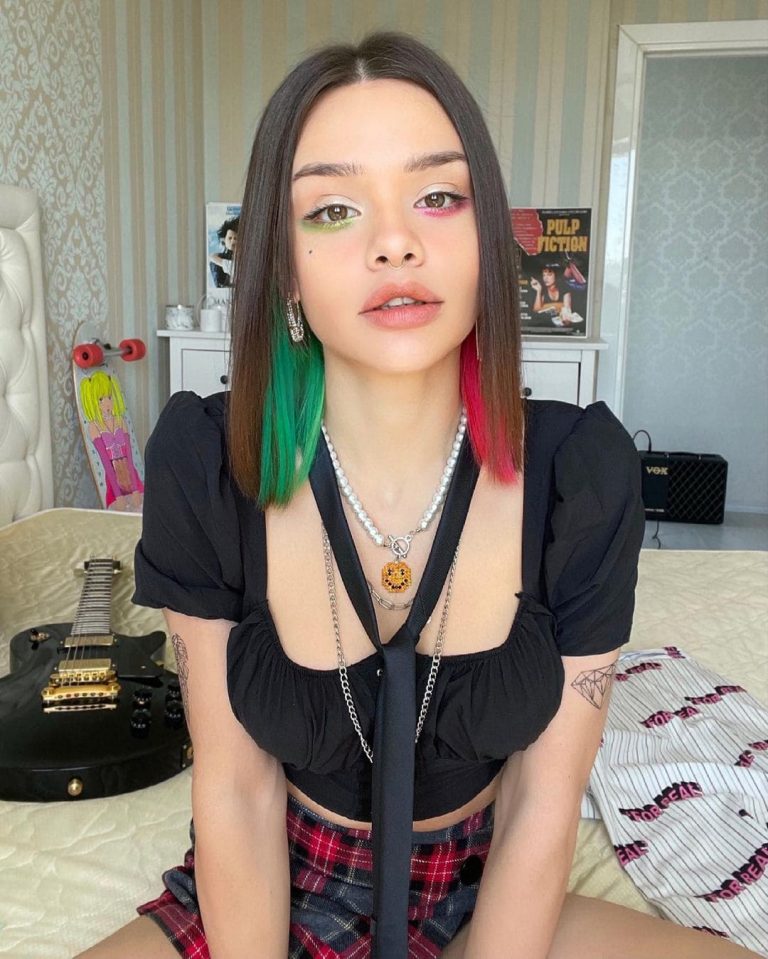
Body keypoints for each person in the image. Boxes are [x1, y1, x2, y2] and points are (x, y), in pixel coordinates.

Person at [78, 31, 762, 959]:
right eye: (333, 209)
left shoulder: (583, 472)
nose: (395, 241)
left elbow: (542, 799)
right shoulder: (205, 458)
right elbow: (236, 793)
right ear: (283, 267)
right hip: (272, 872)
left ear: (485, 242)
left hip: (488, 882)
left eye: (438, 196)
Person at [209, 216, 239, 287]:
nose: (233, 241)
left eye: (235, 238)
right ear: (224, 240)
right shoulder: (219, 258)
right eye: (230, 238)